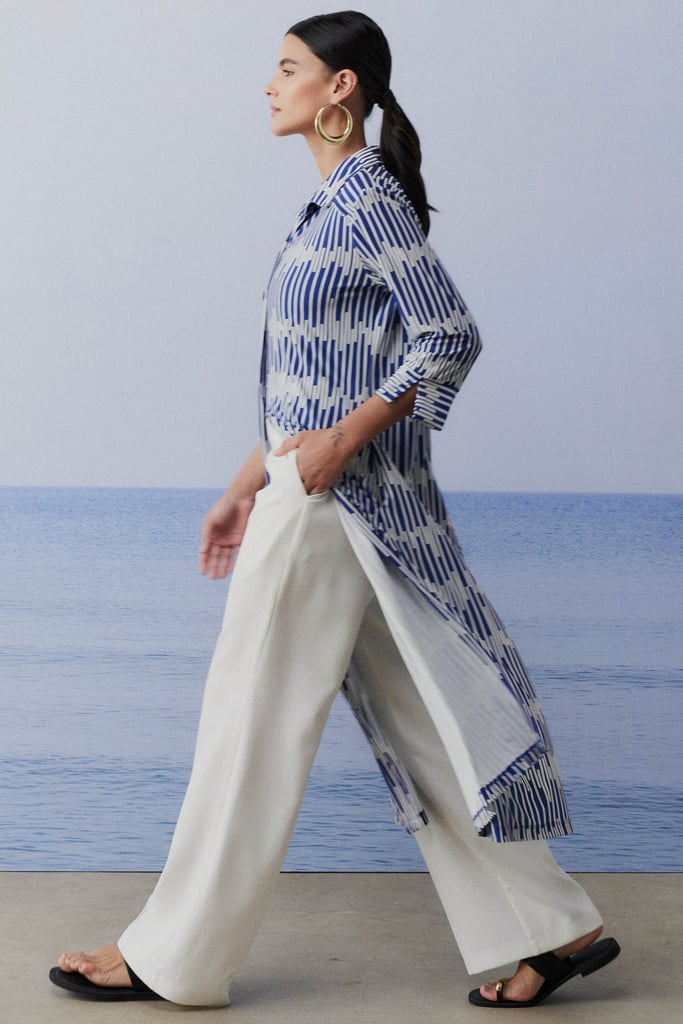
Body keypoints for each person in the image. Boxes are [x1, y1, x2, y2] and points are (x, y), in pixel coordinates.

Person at [50, 10, 619, 1009]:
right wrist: (242, 487)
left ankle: (173, 957)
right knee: (419, 722)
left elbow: (448, 334)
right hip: (320, 496)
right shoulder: (327, 208)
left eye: (287, 68)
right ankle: (554, 925)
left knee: (248, 722)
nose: (269, 86)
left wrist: (340, 443)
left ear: (340, 87)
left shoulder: (366, 200)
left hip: (333, 506)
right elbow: (306, 389)